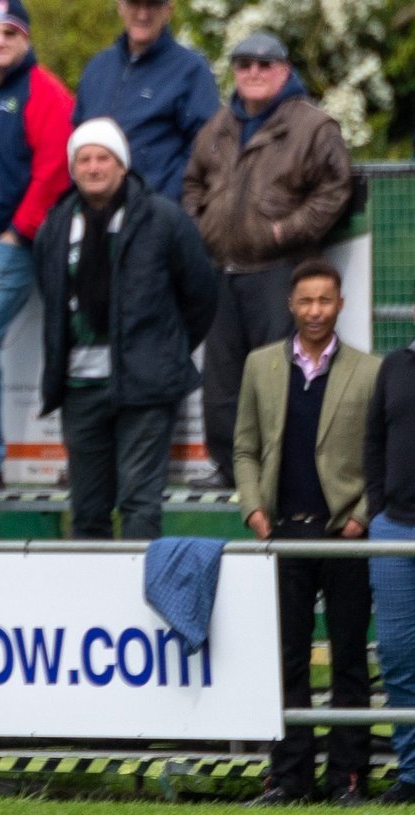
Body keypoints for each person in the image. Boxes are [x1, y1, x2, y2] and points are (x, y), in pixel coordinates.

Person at [233, 260, 378, 806]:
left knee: (347, 657)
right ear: (290, 306)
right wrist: (253, 510)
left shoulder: (369, 371)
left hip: (345, 536)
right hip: (283, 535)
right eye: (305, 301)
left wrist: (361, 514)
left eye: (325, 300)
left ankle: (348, 778)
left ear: (340, 305)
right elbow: (245, 447)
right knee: (286, 657)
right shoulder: (260, 366)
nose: (315, 310)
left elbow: (378, 458)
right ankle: (289, 777)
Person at [183, 31, 353, 489]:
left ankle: (282, 472)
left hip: (281, 272)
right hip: (221, 271)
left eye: (265, 63)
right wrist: (200, 226)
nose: (253, 72)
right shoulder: (217, 125)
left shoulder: (313, 126)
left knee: (280, 379)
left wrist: (286, 231)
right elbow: (193, 182)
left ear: (285, 69)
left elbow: (335, 189)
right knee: (221, 385)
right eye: (244, 64)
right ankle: (228, 469)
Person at [34, 118, 217, 540]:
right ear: (73, 167)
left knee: (139, 504)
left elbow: (201, 295)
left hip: (145, 388)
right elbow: (51, 293)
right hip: (80, 388)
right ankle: (95, 603)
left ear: (123, 166)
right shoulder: (57, 223)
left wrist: (161, 352)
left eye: (104, 158)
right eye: (84, 159)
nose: (94, 168)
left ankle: (139, 600)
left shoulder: (163, 219)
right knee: (88, 509)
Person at [0, 0, 74, 489]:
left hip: (18, 243)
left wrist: (19, 230)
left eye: (9, 32)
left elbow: (55, 167)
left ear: (25, 38)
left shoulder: (44, 91)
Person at [72, 0, 218, 202]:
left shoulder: (191, 71)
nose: (142, 14)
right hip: (95, 211)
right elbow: (76, 140)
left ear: (168, 9)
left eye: (152, 5)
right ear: (120, 7)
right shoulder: (97, 68)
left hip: (155, 215)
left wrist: (162, 207)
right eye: (134, 5)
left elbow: (205, 148)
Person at [365, 330, 415, 804]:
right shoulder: (394, 367)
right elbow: (373, 443)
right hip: (395, 530)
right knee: (399, 657)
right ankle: (411, 774)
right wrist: (379, 511)